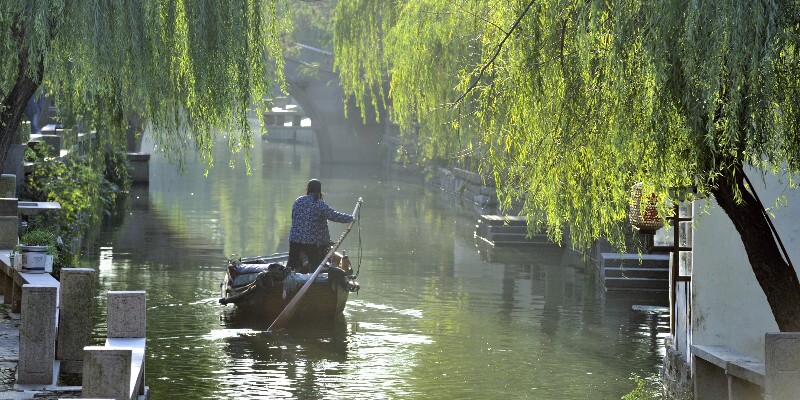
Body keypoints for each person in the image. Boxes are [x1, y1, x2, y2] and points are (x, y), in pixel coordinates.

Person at [287, 179, 354, 273]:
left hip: (294, 240)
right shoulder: (319, 203)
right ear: (319, 191)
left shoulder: (298, 201)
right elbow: (333, 215)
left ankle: (287, 280)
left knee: (291, 265)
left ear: (307, 189)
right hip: (311, 242)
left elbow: (294, 218)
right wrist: (350, 218)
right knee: (315, 266)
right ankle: (313, 282)